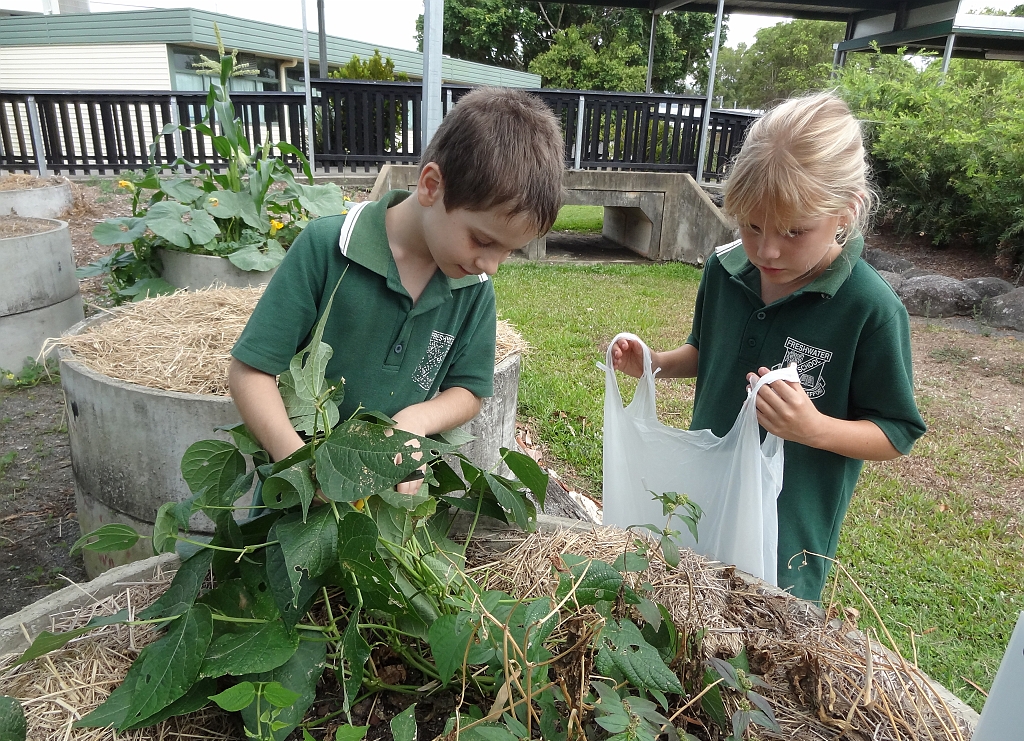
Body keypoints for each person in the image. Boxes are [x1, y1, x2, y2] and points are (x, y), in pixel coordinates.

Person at [610, 93, 926, 601]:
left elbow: (897, 432)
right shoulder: (726, 270)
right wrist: (656, 364)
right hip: (703, 505)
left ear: (845, 211)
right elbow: (706, 352)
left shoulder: (869, 309)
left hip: (785, 543)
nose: (767, 249)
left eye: (794, 231)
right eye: (752, 226)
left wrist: (813, 428)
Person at [230, 87, 565, 494]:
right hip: (299, 497)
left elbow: (469, 390)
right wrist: (301, 465)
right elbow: (250, 372)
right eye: (482, 240)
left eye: (508, 251)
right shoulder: (326, 249)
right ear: (431, 186)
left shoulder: (473, 288)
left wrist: (417, 420)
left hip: (392, 499)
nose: (491, 266)